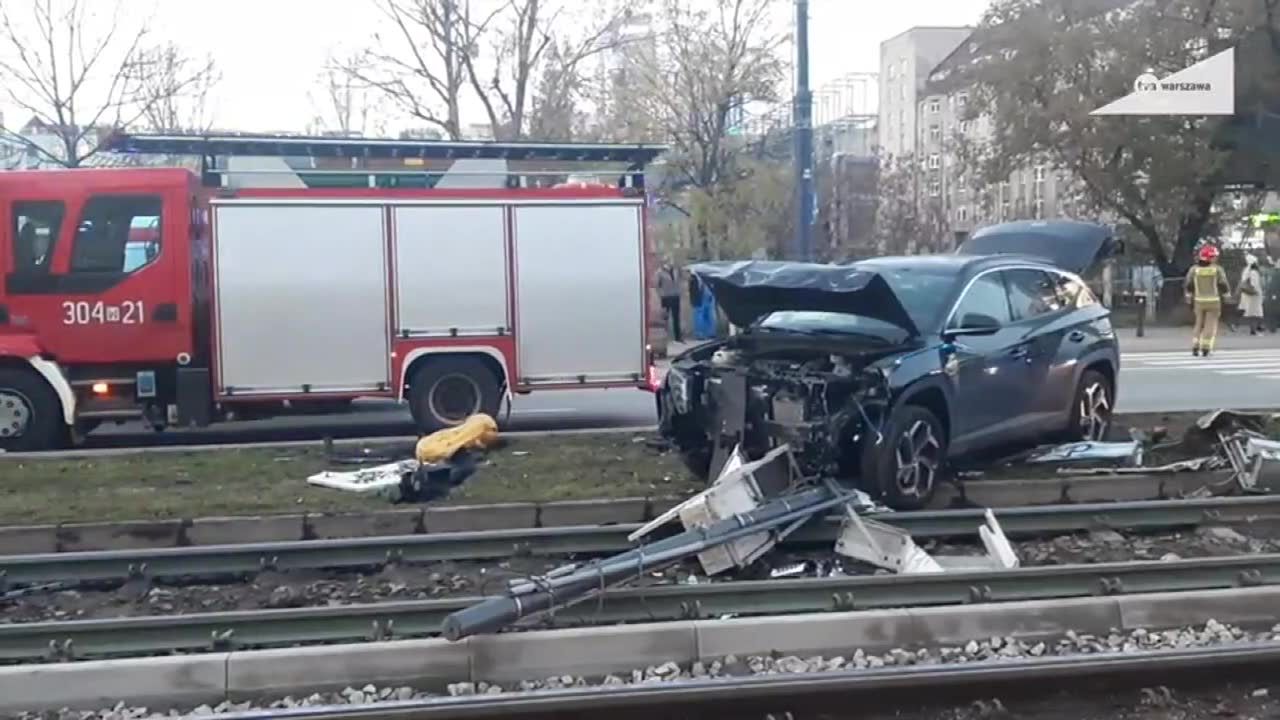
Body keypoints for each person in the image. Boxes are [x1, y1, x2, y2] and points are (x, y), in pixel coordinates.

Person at [1184, 244, 1231, 356]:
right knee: (1210, 324)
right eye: (1214, 256)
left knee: (1198, 323)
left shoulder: (1194, 270)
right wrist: (1227, 295)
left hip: (1199, 301)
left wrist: (1188, 296)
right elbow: (1223, 284)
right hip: (1213, 301)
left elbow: (1189, 285)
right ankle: (1206, 347)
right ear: (1211, 258)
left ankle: (1195, 345)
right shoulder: (1217, 270)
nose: (1216, 258)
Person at [1238, 253, 1266, 335]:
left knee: (1251, 312)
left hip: (1248, 294)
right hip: (1254, 294)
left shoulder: (1246, 270)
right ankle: (1257, 327)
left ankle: (1254, 328)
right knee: (1257, 312)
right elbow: (1255, 284)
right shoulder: (1254, 272)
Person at [656, 262, 682, 343]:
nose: (669, 264)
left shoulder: (676, 271)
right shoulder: (660, 272)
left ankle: (678, 337)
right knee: (665, 318)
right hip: (666, 297)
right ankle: (664, 338)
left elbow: (680, 281)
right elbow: (657, 285)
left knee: (676, 318)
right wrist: (660, 294)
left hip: (675, 296)